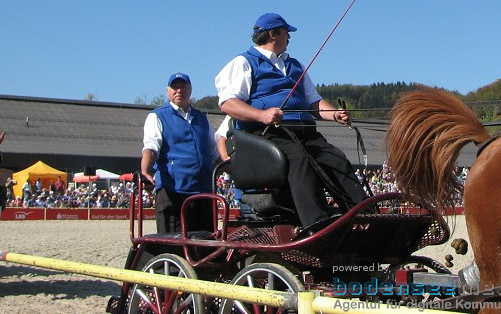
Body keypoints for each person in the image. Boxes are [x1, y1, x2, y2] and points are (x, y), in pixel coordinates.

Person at [215, 13, 367, 231]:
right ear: (272, 34)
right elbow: (228, 103)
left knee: (336, 159)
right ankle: (317, 225)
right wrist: (262, 115)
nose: (289, 38)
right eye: (287, 33)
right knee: (299, 161)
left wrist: (335, 114)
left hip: (304, 131)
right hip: (268, 133)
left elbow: (313, 102)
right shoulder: (243, 63)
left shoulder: (295, 65)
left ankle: (363, 216)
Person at [141, 73, 218, 233]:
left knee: (205, 244)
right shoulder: (157, 116)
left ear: (190, 91)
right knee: (173, 244)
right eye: (175, 87)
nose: (179, 91)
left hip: (202, 191)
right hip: (172, 191)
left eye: (183, 87)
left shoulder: (201, 118)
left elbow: (215, 152)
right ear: (168, 91)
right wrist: (145, 171)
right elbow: (151, 147)